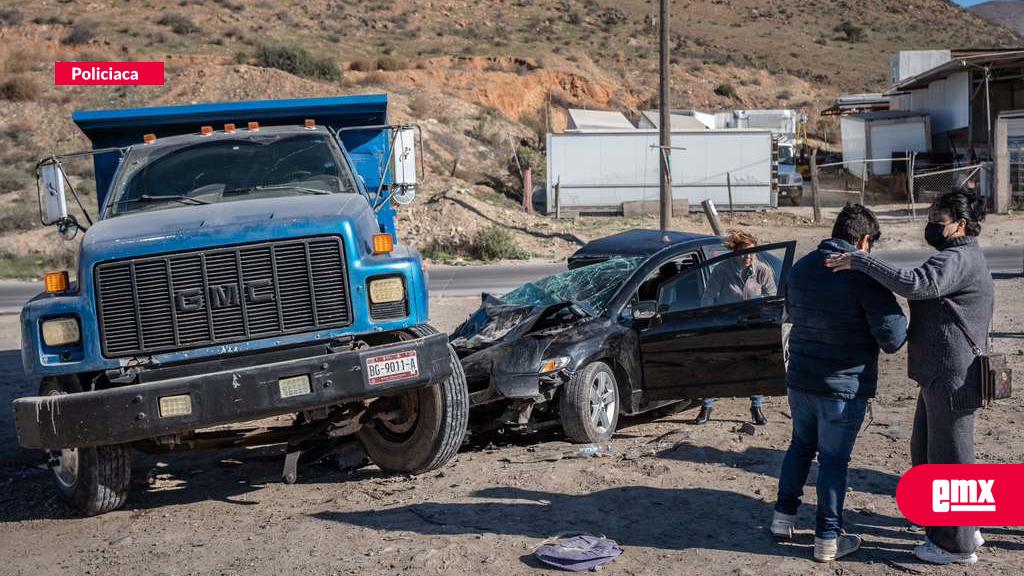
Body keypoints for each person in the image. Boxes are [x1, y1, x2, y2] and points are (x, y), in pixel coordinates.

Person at [825, 190, 993, 566]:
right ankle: (967, 526)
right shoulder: (953, 256)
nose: (931, 223)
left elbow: (916, 283)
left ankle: (955, 546)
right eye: (931, 214)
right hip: (939, 374)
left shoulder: (959, 257)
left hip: (954, 376)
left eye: (939, 218)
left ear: (960, 225)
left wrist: (862, 261)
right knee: (928, 453)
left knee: (950, 459)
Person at [771, 204, 907, 562]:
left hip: (800, 378)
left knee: (800, 445)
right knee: (833, 461)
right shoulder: (862, 274)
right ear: (863, 240)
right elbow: (893, 337)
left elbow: (791, 315)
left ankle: (782, 519)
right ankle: (827, 538)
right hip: (843, 386)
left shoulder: (801, 267)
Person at [695, 229, 775, 425]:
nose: (748, 256)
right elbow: (708, 297)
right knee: (717, 365)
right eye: (745, 252)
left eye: (752, 252)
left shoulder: (762, 270)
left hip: (752, 324)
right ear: (736, 252)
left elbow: (773, 296)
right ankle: (707, 407)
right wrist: (708, 320)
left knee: (755, 366)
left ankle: (756, 407)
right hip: (727, 324)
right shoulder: (722, 270)